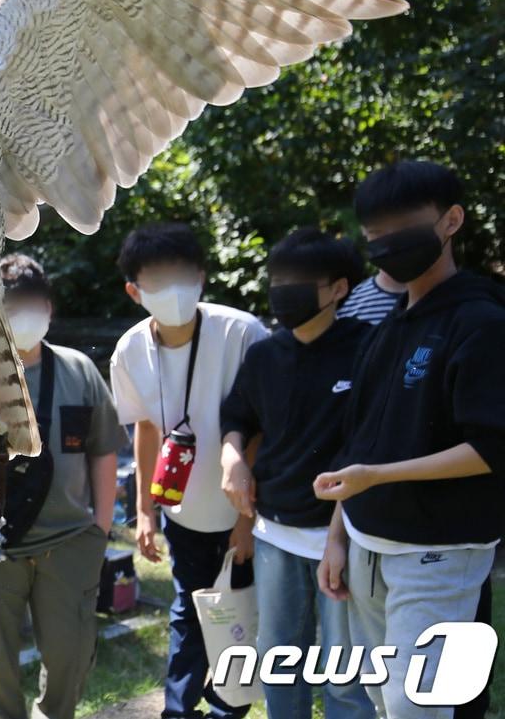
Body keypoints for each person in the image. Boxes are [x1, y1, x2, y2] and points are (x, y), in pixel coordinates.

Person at [315, 161, 505, 719]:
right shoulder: (388, 327)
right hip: (366, 545)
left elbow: (491, 449)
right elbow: (357, 443)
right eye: (375, 233)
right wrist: (337, 534)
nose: (388, 242)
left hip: (439, 551)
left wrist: (380, 477)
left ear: (451, 221)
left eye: (403, 225)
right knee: (383, 698)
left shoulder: (482, 322)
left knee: (413, 705)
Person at [109, 222, 267, 719]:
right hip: (183, 509)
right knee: (190, 608)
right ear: (134, 290)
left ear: (201, 277)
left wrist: (246, 521)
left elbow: (263, 429)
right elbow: (147, 429)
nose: (173, 288)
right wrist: (145, 511)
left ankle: (227, 710)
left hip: (248, 511)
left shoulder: (243, 333)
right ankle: (179, 710)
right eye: (158, 278)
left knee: (240, 613)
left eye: (182, 274)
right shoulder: (130, 349)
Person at [219, 228, 374, 719]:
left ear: (338, 289)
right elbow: (236, 419)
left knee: (345, 673)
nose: (286, 289)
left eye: (301, 280)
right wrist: (234, 460)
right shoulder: (264, 354)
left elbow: (369, 443)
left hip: (347, 533)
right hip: (275, 532)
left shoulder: (369, 349)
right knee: (279, 660)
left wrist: (341, 534)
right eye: (279, 279)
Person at [0, 254, 126, 719]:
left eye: (32, 302)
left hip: (69, 543)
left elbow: (103, 448)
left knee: (70, 656)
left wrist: (100, 527)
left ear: (49, 307)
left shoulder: (78, 369)